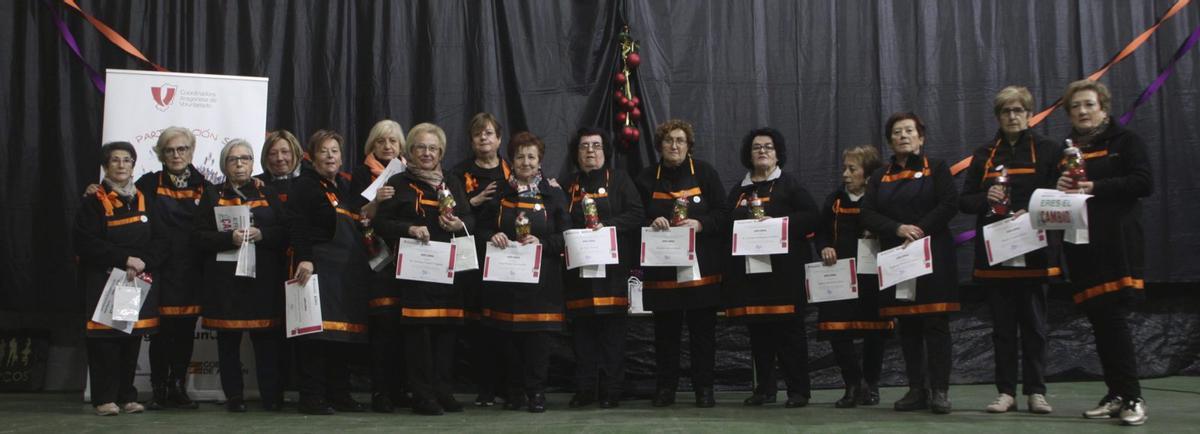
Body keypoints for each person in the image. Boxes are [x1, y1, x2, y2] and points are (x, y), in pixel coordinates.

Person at [1054, 79, 1152, 426]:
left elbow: (1144, 182)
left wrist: (1095, 186)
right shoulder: (1066, 152)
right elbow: (1063, 199)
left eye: (1088, 105)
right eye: (1075, 106)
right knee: (1099, 323)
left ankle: (1133, 397)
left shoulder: (1126, 142)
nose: (1082, 111)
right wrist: (1059, 190)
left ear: (1104, 108)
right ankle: (1115, 394)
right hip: (1082, 246)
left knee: (1113, 321)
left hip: (1117, 245)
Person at [959, 86, 1061, 415]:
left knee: (1034, 326)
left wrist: (1032, 211)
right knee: (1002, 328)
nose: (1013, 116)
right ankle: (1005, 392)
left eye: (1018, 110)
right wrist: (985, 197)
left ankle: (1036, 391)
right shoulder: (983, 153)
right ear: (998, 117)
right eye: (1006, 111)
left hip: (1034, 250)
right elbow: (964, 200)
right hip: (996, 252)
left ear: (1030, 114)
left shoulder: (1048, 150)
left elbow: (1060, 196)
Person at [860, 112, 960, 414]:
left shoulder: (938, 168)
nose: (903, 136)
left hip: (933, 254)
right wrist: (897, 229)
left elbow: (949, 204)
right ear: (890, 140)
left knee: (936, 323)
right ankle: (917, 389)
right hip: (898, 256)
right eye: (897, 132)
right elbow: (867, 214)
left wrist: (919, 229)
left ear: (921, 137)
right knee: (909, 326)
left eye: (909, 131)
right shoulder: (879, 176)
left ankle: (940, 391)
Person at [373, 123, 473, 416]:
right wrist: (409, 228)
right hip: (415, 272)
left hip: (448, 270)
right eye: (420, 147)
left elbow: (470, 219)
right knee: (420, 337)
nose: (427, 153)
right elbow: (380, 224)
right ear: (410, 152)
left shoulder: (452, 183)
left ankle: (443, 391)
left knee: (446, 334)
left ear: (441, 152)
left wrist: (460, 225)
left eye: (433, 148)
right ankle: (422, 395)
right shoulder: (399, 184)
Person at [634, 119, 728, 408]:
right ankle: (666, 388)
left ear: (688, 146)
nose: (674, 146)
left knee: (703, 335)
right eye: (668, 141)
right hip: (662, 271)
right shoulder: (646, 178)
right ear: (659, 146)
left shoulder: (705, 173)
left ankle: (704, 388)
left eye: (680, 141)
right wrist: (651, 221)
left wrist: (701, 223)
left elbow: (725, 213)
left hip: (702, 271)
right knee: (665, 336)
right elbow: (634, 216)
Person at [722, 128, 819, 408]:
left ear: (778, 154)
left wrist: (776, 225)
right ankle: (764, 389)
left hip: (784, 274)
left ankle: (798, 391)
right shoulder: (739, 191)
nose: (762, 151)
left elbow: (812, 218)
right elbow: (727, 224)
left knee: (790, 334)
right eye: (756, 148)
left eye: (768, 147)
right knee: (759, 334)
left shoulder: (790, 185)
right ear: (748, 155)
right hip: (751, 275)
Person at [192, 140, 289, 412]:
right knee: (228, 343)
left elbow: (285, 232)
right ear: (225, 165)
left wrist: (263, 234)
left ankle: (271, 397)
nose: (239, 164)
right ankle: (234, 397)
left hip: (263, 279)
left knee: (267, 343)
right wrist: (227, 238)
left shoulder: (266, 192)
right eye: (233, 159)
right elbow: (198, 237)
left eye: (245, 158)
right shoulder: (212, 195)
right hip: (226, 281)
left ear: (252, 162)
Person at [478, 131, 570, 413]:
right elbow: (479, 228)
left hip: (543, 284)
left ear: (539, 160)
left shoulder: (554, 193)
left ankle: (536, 393)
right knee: (509, 340)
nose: (526, 162)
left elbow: (567, 235)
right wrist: (493, 236)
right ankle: (514, 393)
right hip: (505, 283)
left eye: (531, 156)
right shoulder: (499, 191)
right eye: (520, 156)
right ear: (512, 160)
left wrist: (541, 242)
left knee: (538, 342)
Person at [75, 142, 163, 416]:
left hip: (134, 284)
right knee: (104, 343)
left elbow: (161, 240)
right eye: (115, 160)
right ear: (106, 166)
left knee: (129, 339)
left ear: (134, 165)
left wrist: (143, 262)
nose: (122, 165)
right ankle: (104, 399)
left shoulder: (146, 198)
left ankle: (127, 397)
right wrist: (124, 260)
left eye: (127, 160)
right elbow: (85, 242)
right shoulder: (93, 201)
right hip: (104, 283)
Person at [287, 130, 371, 415]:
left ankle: (340, 394)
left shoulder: (343, 188)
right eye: (324, 151)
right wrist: (305, 259)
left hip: (344, 272)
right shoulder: (305, 186)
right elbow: (297, 225)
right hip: (317, 266)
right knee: (315, 338)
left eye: (335, 151)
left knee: (340, 338)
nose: (330, 156)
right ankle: (312, 397)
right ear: (311, 156)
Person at [561, 127, 644, 409]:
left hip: (612, 271)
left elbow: (636, 214)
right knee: (582, 337)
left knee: (612, 337)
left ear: (605, 151)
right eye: (584, 146)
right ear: (576, 153)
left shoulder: (619, 179)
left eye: (596, 146)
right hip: (579, 272)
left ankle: (612, 391)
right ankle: (585, 390)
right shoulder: (567, 184)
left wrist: (606, 227)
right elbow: (558, 220)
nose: (590, 151)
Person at [815, 145, 893, 409]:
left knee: (875, 333)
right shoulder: (835, 200)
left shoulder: (880, 198)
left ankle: (871, 384)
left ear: (868, 174)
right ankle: (852, 383)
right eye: (844, 168)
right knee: (838, 331)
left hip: (872, 274)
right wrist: (824, 247)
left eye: (852, 169)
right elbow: (821, 231)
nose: (846, 174)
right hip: (839, 274)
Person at [136, 126, 208, 410]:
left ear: (191, 152)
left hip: (192, 271)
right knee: (160, 335)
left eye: (181, 149)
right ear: (161, 154)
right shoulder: (148, 183)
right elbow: (123, 200)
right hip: (160, 270)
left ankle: (179, 387)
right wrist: (96, 190)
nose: (176, 155)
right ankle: (159, 390)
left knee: (184, 333)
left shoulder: (206, 186)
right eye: (170, 150)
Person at [347, 119, 412, 413]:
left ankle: (401, 389)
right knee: (382, 328)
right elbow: (354, 216)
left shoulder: (409, 173)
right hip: (376, 259)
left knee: (403, 328)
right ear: (371, 145)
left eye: (393, 142)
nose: (387, 147)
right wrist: (376, 200)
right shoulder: (361, 174)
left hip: (408, 258)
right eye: (381, 142)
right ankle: (381, 391)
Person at [448, 112, 511, 407]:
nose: (483, 138)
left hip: (508, 256)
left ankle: (509, 387)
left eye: (489, 133)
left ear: (499, 139)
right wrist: (471, 202)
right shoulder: (458, 174)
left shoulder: (513, 171)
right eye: (478, 134)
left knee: (505, 323)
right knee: (478, 327)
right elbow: (449, 214)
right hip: (472, 256)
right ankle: (485, 389)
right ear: (471, 141)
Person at [256, 130, 304, 203]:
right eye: (273, 153)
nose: (279, 158)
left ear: (296, 153)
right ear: (266, 157)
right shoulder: (256, 184)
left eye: (285, 152)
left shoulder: (312, 181)